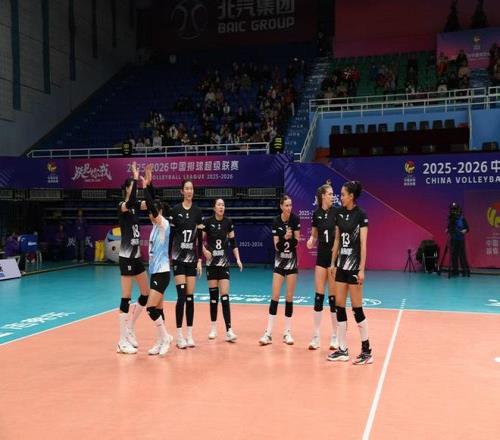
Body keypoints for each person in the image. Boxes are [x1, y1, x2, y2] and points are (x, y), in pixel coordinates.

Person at [328, 181, 371, 365]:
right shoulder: (339, 213)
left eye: (343, 194)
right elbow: (337, 239)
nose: (341, 197)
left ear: (351, 196)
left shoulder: (361, 215)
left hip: (354, 268)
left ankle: (367, 351)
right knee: (339, 305)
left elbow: (363, 244)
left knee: (357, 308)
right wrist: (332, 263)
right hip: (341, 266)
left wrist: (361, 269)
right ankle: (343, 349)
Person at [116, 162, 150, 355]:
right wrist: (135, 178)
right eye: (132, 187)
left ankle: (129, 328)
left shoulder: (135, 207)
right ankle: (121, 342)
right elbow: (129, 203)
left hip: (136, 257)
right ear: (127, 190)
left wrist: (148, 184)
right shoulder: (122, 206)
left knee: (145, 293)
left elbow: (149, 203)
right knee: (126, 297)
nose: (134, 190)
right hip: (126, 258)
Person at [140, 164, 173, 356]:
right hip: (154, 272)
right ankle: (160, 341)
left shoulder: (163, 224)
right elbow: (153, 204)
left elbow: (153, 206)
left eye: (152, 212)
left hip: (162, 272)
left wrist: (145, 188)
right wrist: (150, 183)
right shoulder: (154, 227)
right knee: (159, 309)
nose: (149, 215)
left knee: (150, 308)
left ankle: (166, 338)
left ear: (159, 212)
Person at [259, 195, 300, 346]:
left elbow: (297, 242)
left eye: (291, 205)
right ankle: (268, 333)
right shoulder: (276, 221)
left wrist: (291, 238)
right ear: (281, 206)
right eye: (287, 205)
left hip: (292, 264)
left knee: (289, 297)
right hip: (279, 263)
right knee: (275, 296)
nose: (289, 208)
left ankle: (287, 333)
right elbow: (277, 246)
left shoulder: (295, 219)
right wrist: (284, 237)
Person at [169, 179, 203, 349]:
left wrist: (199, 259)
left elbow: (200, 239)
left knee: (190, 297)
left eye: (191, 188)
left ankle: (189, 335)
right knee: (181, 297)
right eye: (186, 188)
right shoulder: (176, 210)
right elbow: (171, 235)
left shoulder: (197, 212)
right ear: (182, 191)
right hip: (178, 258)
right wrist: (168, 256)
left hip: (191, 260)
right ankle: (179, 336)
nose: (189, 191)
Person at [203, 199, 242, 342]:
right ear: (214, 208)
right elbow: (199, 240)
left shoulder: (228, 222)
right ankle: (213, 328)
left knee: (224, 296)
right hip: (212, 264)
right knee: (213, 298)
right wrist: (204, 251)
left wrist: (238, 259)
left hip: (224, 264)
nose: (221, 207)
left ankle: (229, 330)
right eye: (219, 205)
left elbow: (233, 242)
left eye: (223, 205)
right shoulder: (207, 222)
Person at [306, 184, 338, 350]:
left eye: (333, 194)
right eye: (330, 194)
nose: (332, 196)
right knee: (318, 297)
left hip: (333, 259)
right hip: (321, 257)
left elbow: (339, 236)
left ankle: (335, 336)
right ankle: (316, 337)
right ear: (323, 196)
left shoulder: (336, 213)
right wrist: (311, 241)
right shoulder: (316, 214)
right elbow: (314, 236)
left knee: (333, 299)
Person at [447, 202, 470, 277]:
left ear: (458, 210)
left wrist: (464, 230)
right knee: (454, 256)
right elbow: (449, 227)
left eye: (455, 209)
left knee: (462, 256)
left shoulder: (462, 218)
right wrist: (447, 229)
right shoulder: (451, 219)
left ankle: (465, 271)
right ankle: (455, 271)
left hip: (460, 239)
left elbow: (467, 228)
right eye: (452, 209)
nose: (453, 211)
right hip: (453, 239)